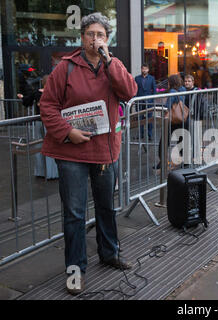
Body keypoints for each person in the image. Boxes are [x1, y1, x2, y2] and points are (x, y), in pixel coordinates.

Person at [39, 12, 138, 295]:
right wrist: (68, 132)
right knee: (74, 214)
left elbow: (129, 91)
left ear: (107, 40)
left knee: (107, 206)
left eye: (101, 35)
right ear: (82, 38)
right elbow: (47, 106)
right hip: (72, 151)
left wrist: (110, 62)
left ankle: (110, 253)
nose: (95, 40)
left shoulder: (113, 65)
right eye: (91, 34)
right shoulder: (65, 68)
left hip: (104, 151)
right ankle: (75, 270)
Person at [18, 75, 59, 179]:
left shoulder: (37, 92)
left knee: (39, 146)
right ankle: (51, 173)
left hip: (39, 122)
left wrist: (22, 97)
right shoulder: (54, 93)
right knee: (51, 146)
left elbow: (27, 101)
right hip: (50, 122)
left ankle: (40, 172)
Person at [156, 74, 187, 169]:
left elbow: (167, 106)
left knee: (164, 142)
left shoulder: (172, 92)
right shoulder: (183, 89)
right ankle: (185, 162)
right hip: (181, 119)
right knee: (181, 140)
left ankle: (162, 162)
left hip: (172, 120)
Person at [135, 63, 156, 140]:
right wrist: (135, 99)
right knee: (140, 119)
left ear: (148, 70)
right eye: (143, 69)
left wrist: (152, 100)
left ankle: (150, 135)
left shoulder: (152, 78)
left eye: (146, 69)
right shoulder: (137, 78)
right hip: (139, 101)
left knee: (149, 119)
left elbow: (154, 90)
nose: (144, 70)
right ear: (141, 69)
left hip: (149, 102)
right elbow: (135, 89)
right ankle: (140, 134)